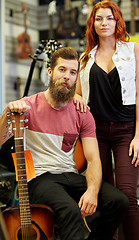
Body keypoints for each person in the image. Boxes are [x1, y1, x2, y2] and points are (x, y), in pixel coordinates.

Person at [0, 47, 129, 240]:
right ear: (50, 72)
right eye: (62, 70)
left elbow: (93, 160)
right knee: (71, 211)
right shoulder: (27, 107)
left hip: (70, 175)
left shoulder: (82, 113)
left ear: (77, 77)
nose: (67, 76)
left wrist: (92, 192)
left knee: (119, 201)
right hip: (40, 178)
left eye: (72, 72)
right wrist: (7, 113)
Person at [75, 1, 139, 240]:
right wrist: (78, 100)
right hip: (95, 135)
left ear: (117, 21)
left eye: (109, 18)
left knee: (127, 195)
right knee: (106, 198)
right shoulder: (85, 58)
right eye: (98, 19)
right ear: (92, 23)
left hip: (126, 132)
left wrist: (138, 137)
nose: (104, 23)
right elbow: (77, 94)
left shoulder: (134, 50)